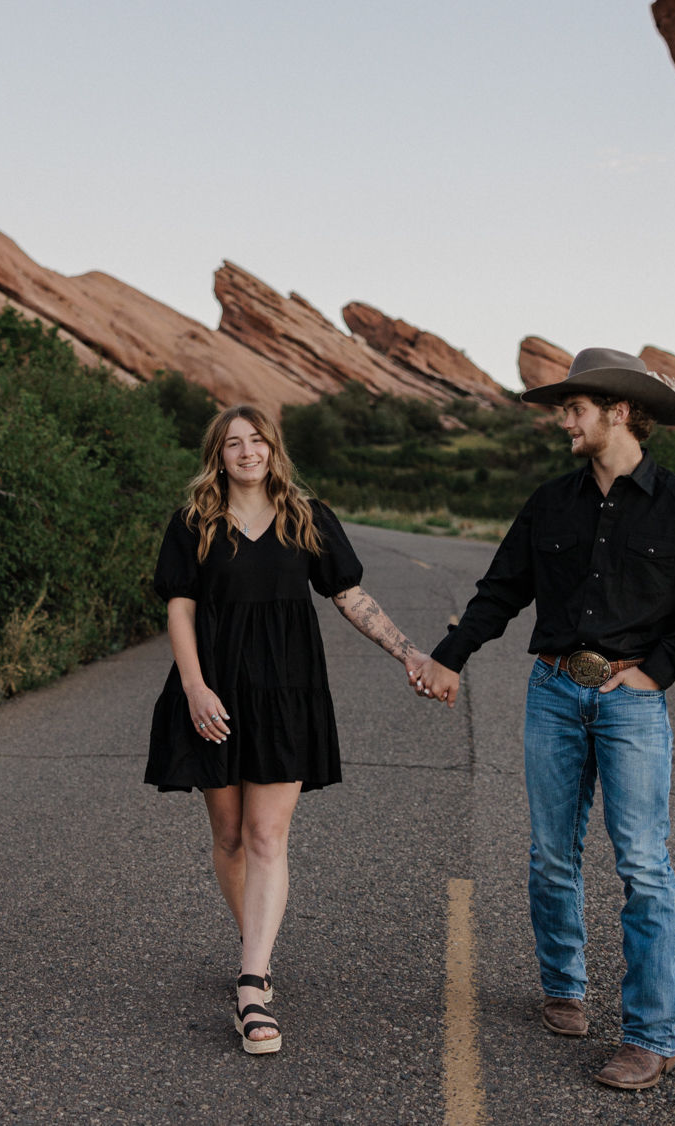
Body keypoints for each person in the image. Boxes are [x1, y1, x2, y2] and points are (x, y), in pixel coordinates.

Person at [411, 347, 675, 1091]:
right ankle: (564, 985)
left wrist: (651, 674)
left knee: (644, 866)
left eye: (575, 408)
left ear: (619, 412)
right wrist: (449, 657)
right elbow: (500, 591)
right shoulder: (550, 502)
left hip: (632, 702)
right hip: (553, 691)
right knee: (551, 854)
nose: (565, 419)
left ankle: (652, 1037)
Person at [144, 402, 429, 1055]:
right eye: (233, 443)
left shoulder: (308, 517)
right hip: (212, 689)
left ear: (273, 449)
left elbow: (350, 596)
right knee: (229, 837)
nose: (247, 452)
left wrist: (407, 651)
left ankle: (252, 982)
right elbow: (180, 608)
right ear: (218, 454)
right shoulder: (194, 522)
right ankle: (256, 943)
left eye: (257, 441)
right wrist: (192, 686)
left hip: (286, 691)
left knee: (267, 835)